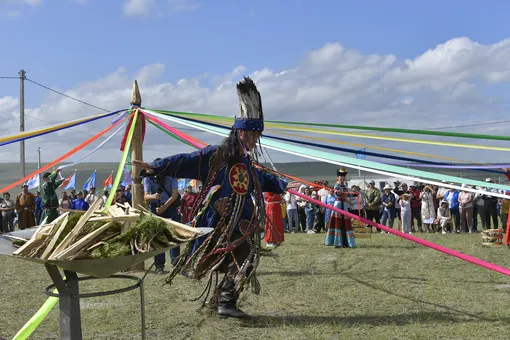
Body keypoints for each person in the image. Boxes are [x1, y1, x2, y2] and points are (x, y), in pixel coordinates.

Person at [134, 77, 287, 319]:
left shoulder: (247, 162)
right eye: (252, 135)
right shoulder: (216, 156)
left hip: (243, 220)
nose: (255, 140)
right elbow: (187, 160)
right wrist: (157, 167)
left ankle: (224, 301)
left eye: (257, 136)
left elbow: (259, 179)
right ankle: (224, 302)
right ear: (241, 133)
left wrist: (282, 184)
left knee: (246, 257)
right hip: (218, 220)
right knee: (242, 256)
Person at [143, 171, 180, 275]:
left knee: (174, 235)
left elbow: (175, 194)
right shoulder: (148, 178)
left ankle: (176, 263)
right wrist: (154, 196)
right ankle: (159, 266)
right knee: (158, 237)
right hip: (155, 207)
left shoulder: (172, 175)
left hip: (170, 206)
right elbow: (145, 196)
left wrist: (164, 207)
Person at [325, 167, 356, 248]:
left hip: (344, 205)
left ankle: (346, 242)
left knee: (345, 223)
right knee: (338, 223)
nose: (342, 178)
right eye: (341, 176)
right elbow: (337, 193)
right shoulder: (337, 185)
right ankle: (337, 242)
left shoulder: (345, 185)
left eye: (343, 177)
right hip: (338, 205)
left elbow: (347, 193)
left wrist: (354, 194)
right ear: (338, 177)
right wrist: (338, 193)